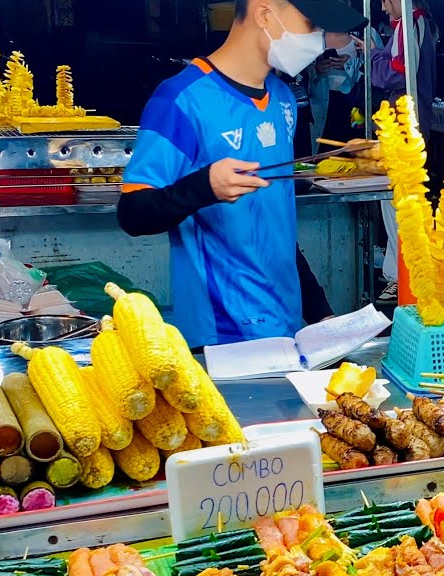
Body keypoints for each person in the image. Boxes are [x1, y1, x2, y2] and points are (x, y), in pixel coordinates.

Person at [117, 0, 367, 348]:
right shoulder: (181, 100)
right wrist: (205, 187)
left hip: (284, 331)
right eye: (311, 26)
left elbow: (275, 224)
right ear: (265, 14)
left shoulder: (283, 99)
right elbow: (132, 212)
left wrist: (320, 313)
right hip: (221, 339)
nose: (319, 40)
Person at [366, 0, 437, 303]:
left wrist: (372, 54)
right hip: (403, 125)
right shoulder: (407, 27)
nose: (382, 7)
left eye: (385, 0)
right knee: (395, 200)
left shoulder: (411, 24)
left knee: (399, 202)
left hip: (406, 126)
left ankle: (403, 277)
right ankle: (399, 273)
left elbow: (393, 74)